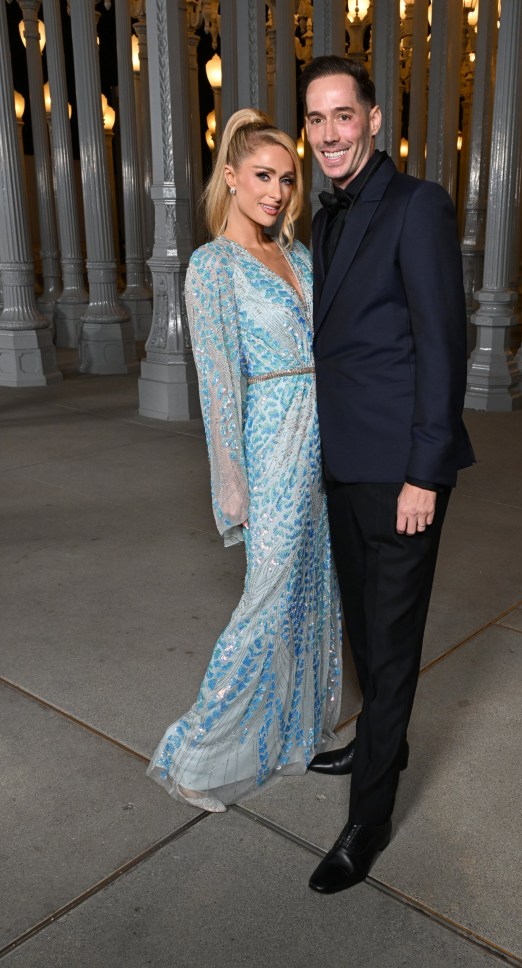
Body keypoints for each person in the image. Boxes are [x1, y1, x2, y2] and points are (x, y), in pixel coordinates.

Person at [300, 56, 475, 893]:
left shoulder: (417, 206)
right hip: (343, 464)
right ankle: (384, 741)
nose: (329, 134)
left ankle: (368, 819)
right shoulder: (323, 218)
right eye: (315, 119)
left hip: (404, 472)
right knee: (366, 629)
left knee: (395, 645)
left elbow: (446, 347)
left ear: (373, 119)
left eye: (343, 116)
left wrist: (424, 473)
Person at [147, 109, 341, 813]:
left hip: (323, 440)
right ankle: (198, 756)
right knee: (267, 595)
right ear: (229, 175)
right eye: (263, 176)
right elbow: (220, 382)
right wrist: (231, 478)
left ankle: (291, 736)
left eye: (287, 180)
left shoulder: (298, 257)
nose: (277, 192)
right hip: (271, 439)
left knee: (312, 588)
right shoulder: (212, 267)